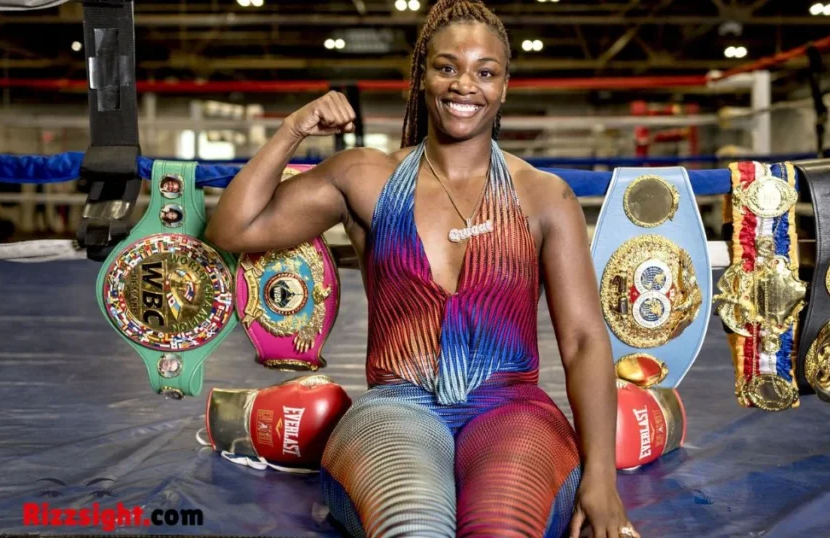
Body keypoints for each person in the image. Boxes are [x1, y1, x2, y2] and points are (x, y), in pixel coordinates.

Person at [206, 1, 636, 536]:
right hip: (396, 408)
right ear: (422, 76)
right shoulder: (366, 177)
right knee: (415, 527)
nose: (465, 85)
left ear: (504, 87)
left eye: (485, 72)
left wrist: (602, 479)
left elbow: (584, 340)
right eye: (447, 67)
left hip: (513, 408)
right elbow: (233, 229)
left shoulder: (544, 196)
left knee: (499, 529)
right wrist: (293, 129)